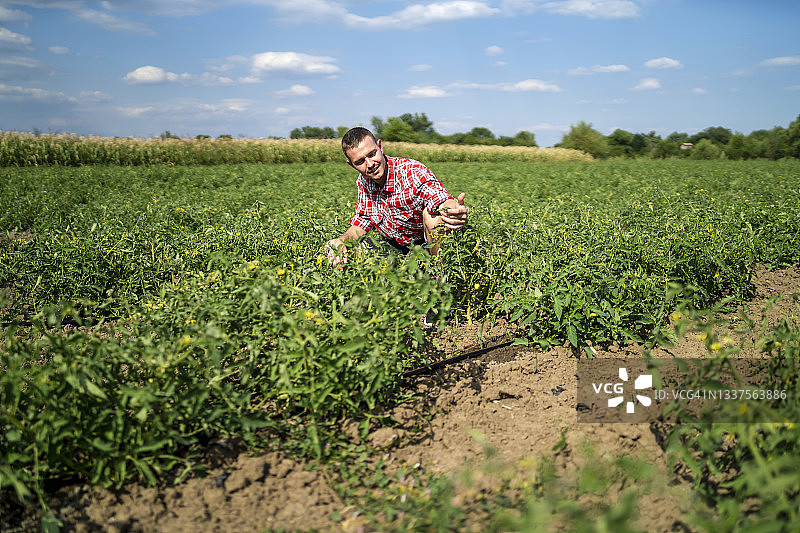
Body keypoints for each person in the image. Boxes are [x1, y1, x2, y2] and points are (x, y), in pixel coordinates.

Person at [325, 127, 467, 267]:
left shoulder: (411, 172)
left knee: (434, 217)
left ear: (380, 147)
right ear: (352, 165)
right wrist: (343, 240)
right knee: (339, 250)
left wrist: (451, 210)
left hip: (425, 247)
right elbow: (364, 220)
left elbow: (439, 198)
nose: (370, 164)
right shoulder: (364, 181)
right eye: (360, 162)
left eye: (372, 154)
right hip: (394, 247)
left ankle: (439, 281)